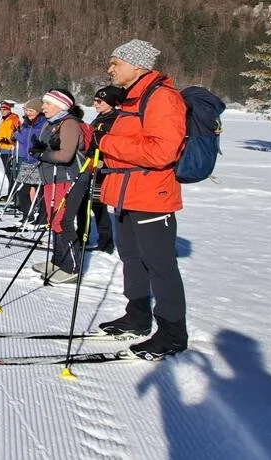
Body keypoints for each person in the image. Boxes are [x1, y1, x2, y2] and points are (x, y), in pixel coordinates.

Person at [95, 39, 190, 360]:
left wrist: (107, 143)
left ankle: (172, 334)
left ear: (137, 66)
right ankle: (137, 317)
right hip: (125, 194)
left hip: (152, 196)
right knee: (132, 259)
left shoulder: (162, 98)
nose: (110, 69)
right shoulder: (132, 99)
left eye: (115, 63)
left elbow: (163, 151)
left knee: (160, 266)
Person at [29, 89, 89, 284]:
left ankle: (71, 267)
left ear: (60, 105)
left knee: (63, 221)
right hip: (52, 178)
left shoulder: (69, 123)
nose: (43, 107)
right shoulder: (51, 123)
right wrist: (40, 148)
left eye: (47, 103)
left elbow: (65, 155)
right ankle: (58, 261)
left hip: (69, 178)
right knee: (54, 221)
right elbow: (50, 148)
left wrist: (42, 154)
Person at [86, 85, 127, 254]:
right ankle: (86, 236)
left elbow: (117, 144)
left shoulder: (117, 119)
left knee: (98, 205)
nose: (95, 104)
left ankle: (106, 242)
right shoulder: (99, 117)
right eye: (95, 100)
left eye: (99, 101)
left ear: (110, 102)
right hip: (91, 165)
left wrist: (104, 159)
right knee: (88, 204)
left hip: (104, 168)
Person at [12, 98, 47, 224]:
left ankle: (43, 219)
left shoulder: (44, 124)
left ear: (39, 111)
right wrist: (16, 135)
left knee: (41, 191)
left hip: (39, 162)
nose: (28, 113)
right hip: (27, 161)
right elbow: (25, 141)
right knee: (22, 191)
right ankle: (28, 215)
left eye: (31, 110)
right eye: (27, 110)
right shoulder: (26, 123)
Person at [0, 101, 21, 193]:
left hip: (10, 150)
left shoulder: (13, 119)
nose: (2, 111)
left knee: (11, 173)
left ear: (9, 110)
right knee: (8, 172)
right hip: (3, 149)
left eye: (4, 109)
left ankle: (13, 194)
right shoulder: (3, 120)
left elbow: (18, 132)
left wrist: (9, 140)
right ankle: (11, 193)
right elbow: (3, 133)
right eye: (1, 109)